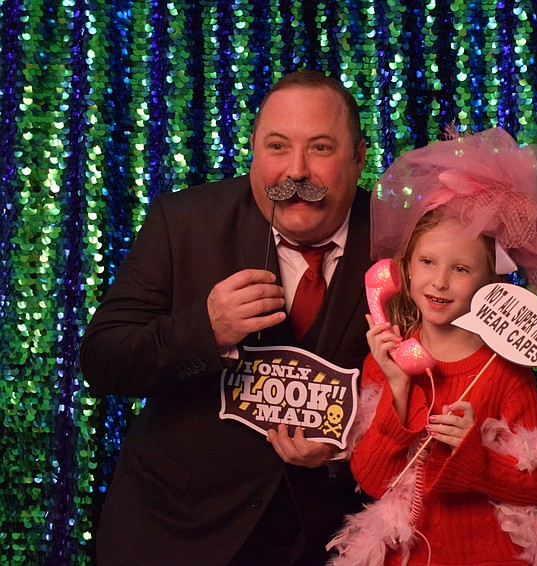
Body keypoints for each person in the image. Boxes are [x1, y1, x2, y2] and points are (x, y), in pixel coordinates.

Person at [79, 70, 372, 565]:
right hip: (176, 530)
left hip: (326, 540)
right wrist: (206, 329)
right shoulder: (185, 222)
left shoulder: (402, 242)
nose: (295, 171)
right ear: (254, 150)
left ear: (359, 156)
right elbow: (103, 358)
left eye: (320, 148)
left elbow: (437, 386)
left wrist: (348, 452)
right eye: (277, 147)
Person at [327, 127, 537, 565]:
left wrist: (475, 456)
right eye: (427, 263)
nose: (439, 282)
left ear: (488, 281)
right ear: (404, 270)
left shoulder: (504, 367)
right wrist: (398, 389)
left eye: (460, 268)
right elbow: (374, 479)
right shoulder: (388, 359)